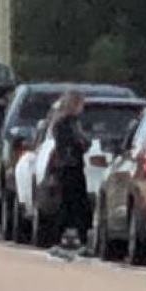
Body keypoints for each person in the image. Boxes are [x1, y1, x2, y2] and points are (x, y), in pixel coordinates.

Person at [52, 90, 91, 249]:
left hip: (69, 165)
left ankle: (65, 236)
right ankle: (67, 236)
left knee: (71, 203)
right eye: (80, 104)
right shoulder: (67, 122)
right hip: (70, 166)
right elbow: (78, 141)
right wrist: (83, 144)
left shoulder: (64, 122)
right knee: (73, 203)